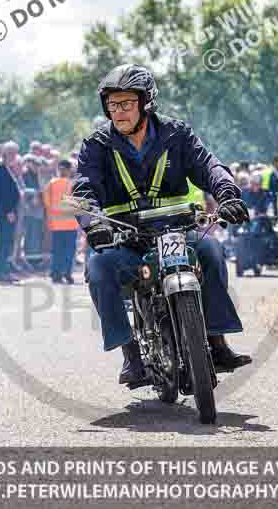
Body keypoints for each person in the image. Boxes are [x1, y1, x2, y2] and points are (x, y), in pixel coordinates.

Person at [75, 64, 252, 387]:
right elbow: (84, 187)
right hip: (127, 240)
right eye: (112, 105)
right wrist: (94, 223)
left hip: (178, 231)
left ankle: (216, 343)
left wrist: (227, 195)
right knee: (98, 268)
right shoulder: (97, 144)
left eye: (126, 103)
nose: (118, 112)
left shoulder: (176, 133)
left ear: (146, 103)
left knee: (211, 250)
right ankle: (131, 356)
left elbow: (208, 166)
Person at [43, 159, 79, 284]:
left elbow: (47, 203)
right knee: (69, 251)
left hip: (56, 224)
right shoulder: (73, 184)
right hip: (70, 224)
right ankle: (67, 273)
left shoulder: (51, 184)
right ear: (69, 170)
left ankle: (55, 273)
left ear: (59, 169)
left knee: (57, 250)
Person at [0, 140, 22, 284]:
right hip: (6, 211)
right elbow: (2, 193)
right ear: (7, 153)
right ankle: (0, 271)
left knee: (8, 241)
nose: (15, 156)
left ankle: (4, 270)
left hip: (11, 210)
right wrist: (9, 210)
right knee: (4, 241)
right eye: (13, 153)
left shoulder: (8, 168)